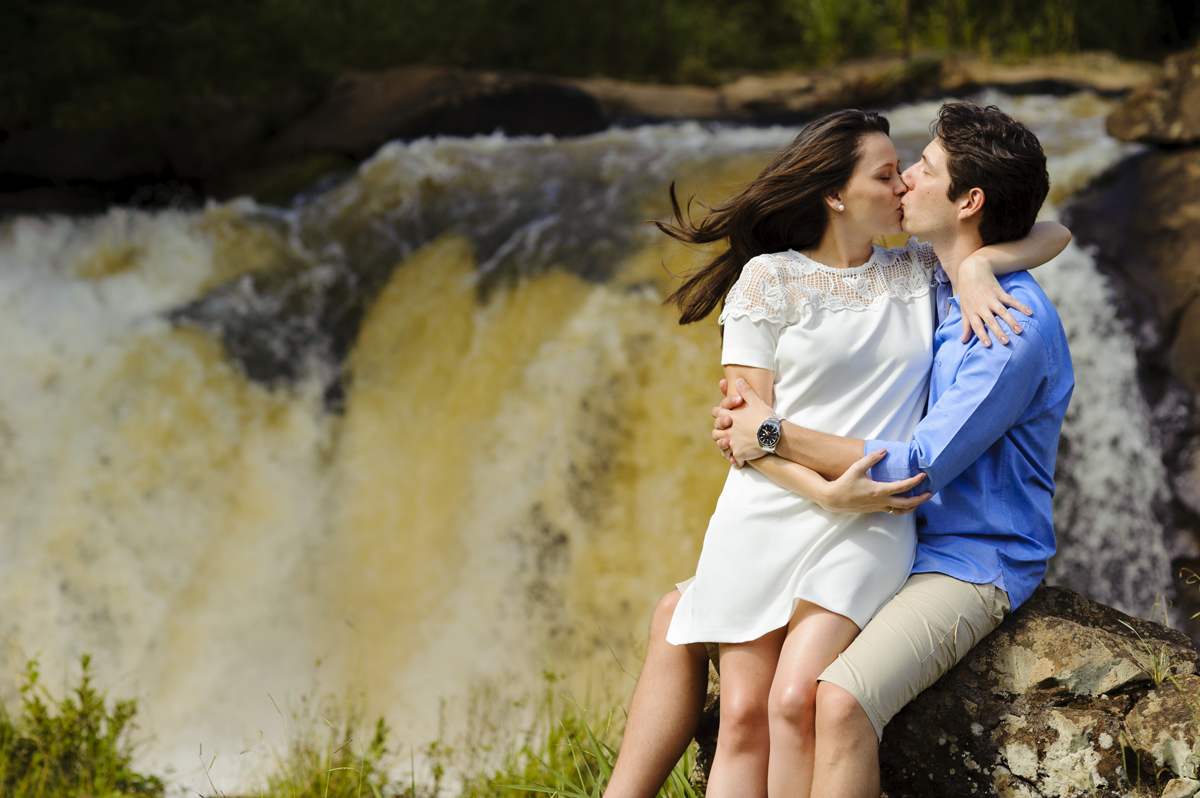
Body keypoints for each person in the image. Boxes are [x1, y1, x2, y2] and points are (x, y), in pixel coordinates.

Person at [606, 104, 1070, 798]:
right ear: (835, 194)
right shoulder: (914, 274)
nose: (907, 181)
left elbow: (913, 461)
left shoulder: (965, 300)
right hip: (829, 509)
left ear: (966, 199)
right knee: (704, 658)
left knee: (809, 697)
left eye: (918, 169)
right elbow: (741, 427)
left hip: (928, 537)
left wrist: (985, 265)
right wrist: (983, 260)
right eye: (893, 172)